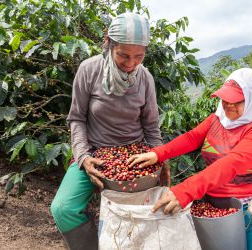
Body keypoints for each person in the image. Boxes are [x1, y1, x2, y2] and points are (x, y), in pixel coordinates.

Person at [50, 12, 169, 250]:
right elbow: (76, 118)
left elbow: (151, 127)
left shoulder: (145, 79)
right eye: (123, 55)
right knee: (63, 208)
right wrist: (83, 157)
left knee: (142, 212)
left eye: (139, 56)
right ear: (108, 43)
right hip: (94, 152)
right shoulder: (89, 70)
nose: (130, 63)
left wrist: (161, 156)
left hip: (135, 156)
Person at [128, 68, 252, 250]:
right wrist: (158, 154)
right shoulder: (218, 120)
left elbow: (231, 163)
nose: (228, 105)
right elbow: (192, 138)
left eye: (236, 101)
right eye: (225, 99)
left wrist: (186, 190)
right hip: (218, 206)